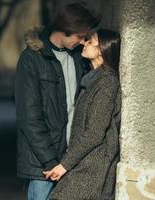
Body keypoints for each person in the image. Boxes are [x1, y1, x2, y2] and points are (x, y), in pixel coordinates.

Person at [14, 3, 98, 200]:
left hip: (71, 160)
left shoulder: (79, 59)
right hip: (43, 166)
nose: (83, 41)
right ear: (65, 30)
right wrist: (51, 162)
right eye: (80, 36)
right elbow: (29, 118)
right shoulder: (31, 60)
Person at [44, 29, 121, 200]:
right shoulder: (93, 79)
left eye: (90, 41)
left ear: (101, 49)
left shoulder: (107, 82)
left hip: (94, 165)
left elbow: (95, 132)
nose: (84, 43)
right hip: (84, 162)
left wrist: (64, 165)